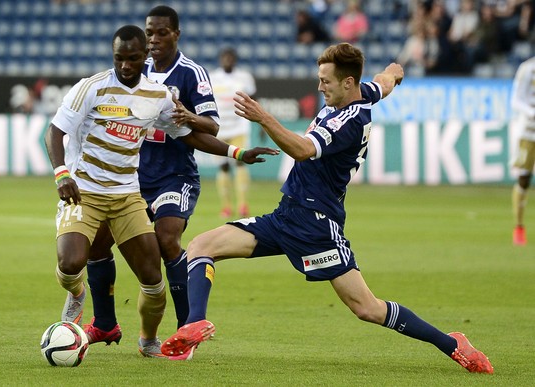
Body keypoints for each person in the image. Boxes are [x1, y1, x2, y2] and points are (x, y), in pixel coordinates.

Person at [160, 43, 494, 375]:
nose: (320, 87)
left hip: (316, 226)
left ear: (347, 83)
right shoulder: (362, 91)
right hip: (286, 216)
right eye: (319, 79)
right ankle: (194, 326)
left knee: (367, 308)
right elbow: (384, 81)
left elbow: (304, 150)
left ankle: (452, 344)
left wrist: (264, 117)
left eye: (326, 81)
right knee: (202, 246)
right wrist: (395, 71)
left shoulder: (349, 119)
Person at [45, 24, 277, 357]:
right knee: (71, 263)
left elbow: (190, 135)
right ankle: (77, 291)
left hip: (127, 196)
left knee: (154, 281)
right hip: (85, 191)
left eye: (133, 58)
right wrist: (61, 174)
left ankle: (148, 340)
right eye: (119, 58)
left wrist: (237, 153)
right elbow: (54, 132)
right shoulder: (91, 88)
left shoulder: (157, 95)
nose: (125, 65)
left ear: (144, 57)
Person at [82, 5, 221, 347]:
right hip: (131, 177)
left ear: (176, 34)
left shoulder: (190, 73)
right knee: (97, 242)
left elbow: (212, 123)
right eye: (149, 33)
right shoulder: (133, 68)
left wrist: (186, 114)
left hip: (175, 174)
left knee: (167, 238)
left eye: (161, 33)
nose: (154, 39)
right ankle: (104, 323)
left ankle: (187, 323)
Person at [209, 47, 257, 218]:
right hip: (219, 128)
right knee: (223, 167)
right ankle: (227, 206)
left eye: (231, 57)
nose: (228, 60)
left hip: (239, 127)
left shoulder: (245, 77)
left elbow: (254, 101)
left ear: (235, 59)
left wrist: (261, 124)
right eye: (225, 57)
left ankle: (243, 205)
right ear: (221, 59)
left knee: (240, 162)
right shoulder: (213, 78)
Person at [510, 55, 535, 245]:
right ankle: (519, 227)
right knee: (524, 179)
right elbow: (516, 100)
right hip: (529, 132)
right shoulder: (528, 68)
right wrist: (532, 112)